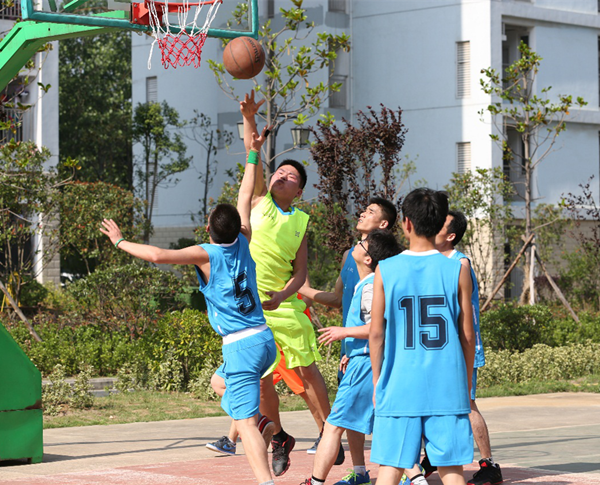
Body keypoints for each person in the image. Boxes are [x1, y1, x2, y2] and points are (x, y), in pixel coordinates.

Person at [100, 128, 278, 485]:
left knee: (242, 424)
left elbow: (156, 255)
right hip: (263, 338)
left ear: (209, 228)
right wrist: (253, 153)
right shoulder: (244, 238)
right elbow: (245, 193)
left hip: (241, 345)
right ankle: (262, 422)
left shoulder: (206, 254)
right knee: (218, 382)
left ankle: (265, 479)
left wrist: (119, 241)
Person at [241, 90, 333, 476]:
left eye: (291, 176)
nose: (283, 175)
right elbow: (251, 156)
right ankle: (279, 436)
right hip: (253, 308)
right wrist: (249, 118)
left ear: (299, 191)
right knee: (263, 383)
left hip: (285, 304)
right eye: (280, 171)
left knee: (308, 371)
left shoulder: (300, 222)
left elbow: (300, 274)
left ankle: (328, 432)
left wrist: (282, 295)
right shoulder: (258, 202)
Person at [369, 188, 476, 485]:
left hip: (399, 383)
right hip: (447, 384)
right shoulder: (457, 269)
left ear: (406, 223)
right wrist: (465, 381)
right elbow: (468, 336)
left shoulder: (385, 269)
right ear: (441, 223)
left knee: (390, 467)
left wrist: (378, 381)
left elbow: (376, 333)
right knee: (451, 469)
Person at [300, 230, 401, 485]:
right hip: (362, 359)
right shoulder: (369, 284)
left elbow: (377, 328)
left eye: (362, 243)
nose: (357, 243)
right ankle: (414, 476)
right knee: (387, 426)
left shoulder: (370, 288)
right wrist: (350, 350)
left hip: (364, 364)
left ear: (368, 259)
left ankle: (316, 481)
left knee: (333, 425)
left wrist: (343, 332)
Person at [431, 209, 503, 485]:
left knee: (466, 403)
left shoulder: (460, 263)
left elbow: (462, 312)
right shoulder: (432, 259)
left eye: (440, 224)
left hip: (460, 347)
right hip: (437, 346)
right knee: (436, 402)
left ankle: (489, 464)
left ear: (451, 236)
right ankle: (436, 455)